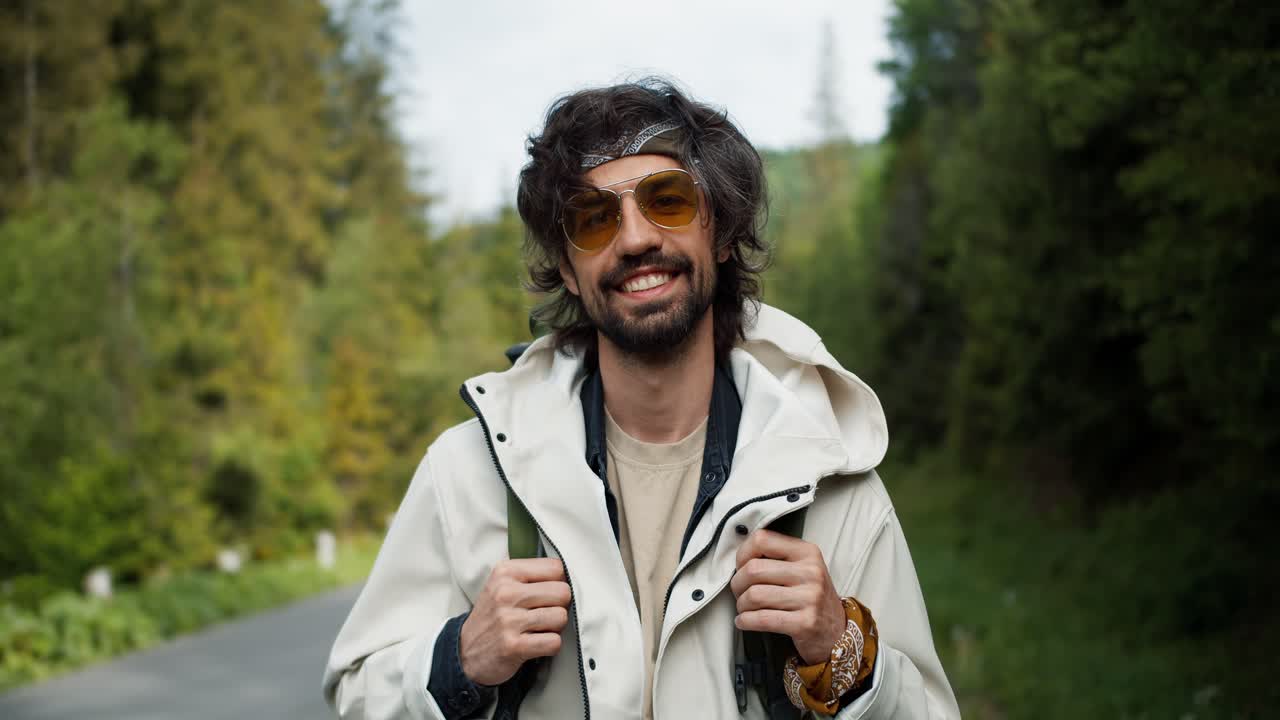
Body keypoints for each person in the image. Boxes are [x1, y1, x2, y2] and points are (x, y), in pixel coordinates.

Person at [322, 79, 959, 720]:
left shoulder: (830, 481)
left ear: (721, 232)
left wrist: (843, 653)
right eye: (594, 219)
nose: (633, 240)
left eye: (668, 202)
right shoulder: (467, 474)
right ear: (567, 269)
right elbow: (357, 695)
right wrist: (459, 662)